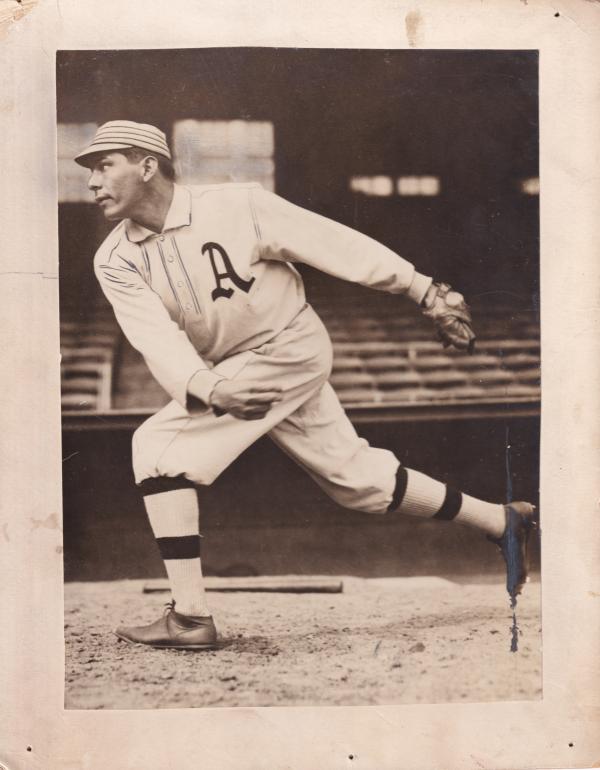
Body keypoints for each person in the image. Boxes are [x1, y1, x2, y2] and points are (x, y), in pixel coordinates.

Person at [74, 120, 536, 651]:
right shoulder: (114, 258)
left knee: (155, 448)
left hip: (286, 346)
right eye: (89, 169)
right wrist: (208, 386)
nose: (92, 181)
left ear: (148, 164)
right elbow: (152, 336)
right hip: (231, 370)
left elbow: (330, 243)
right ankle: (502, 521)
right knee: (359, 481)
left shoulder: (236, 205)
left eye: (104, 164)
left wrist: (423, 289)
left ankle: (190, 616)